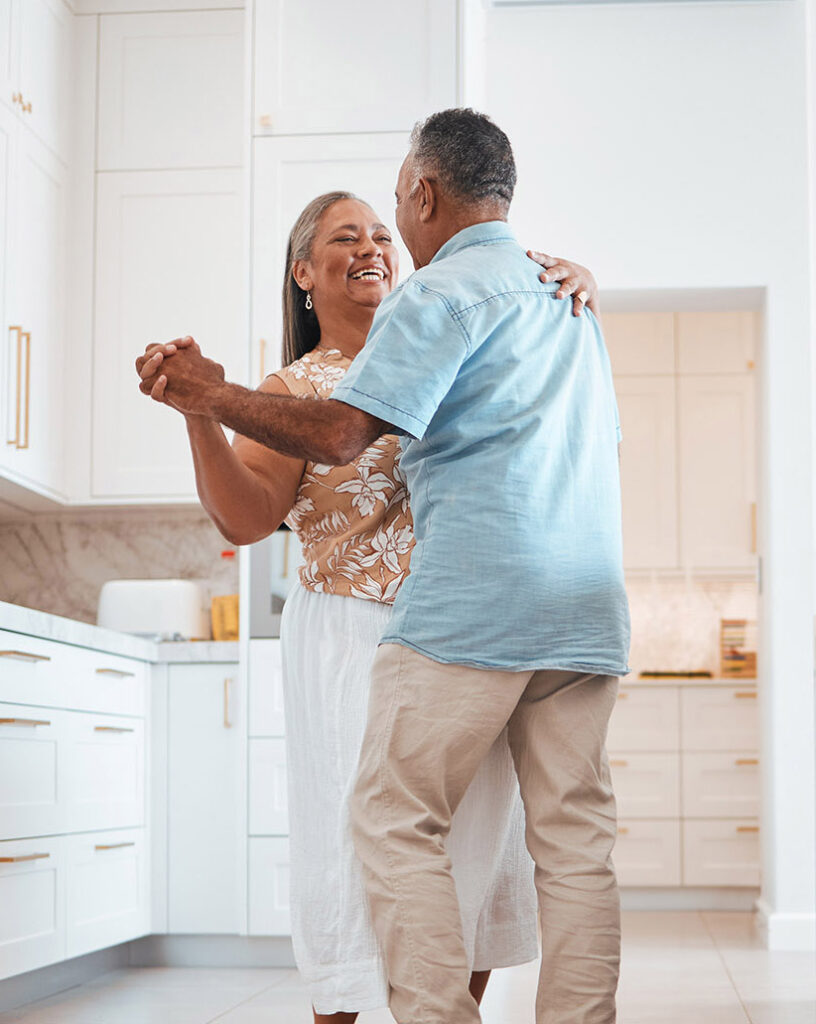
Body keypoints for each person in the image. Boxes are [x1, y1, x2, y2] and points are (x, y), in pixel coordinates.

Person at [136, 185, 601, 1023]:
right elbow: (247, 517)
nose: (372, 248)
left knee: (473, 843)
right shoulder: (291, 387)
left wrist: (577, 280)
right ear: (303, 273)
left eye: (382, 234)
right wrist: (200, 413)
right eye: (345, 237)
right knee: (354, 854)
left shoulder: (444, 340)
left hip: (465, 631)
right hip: (352, 637)